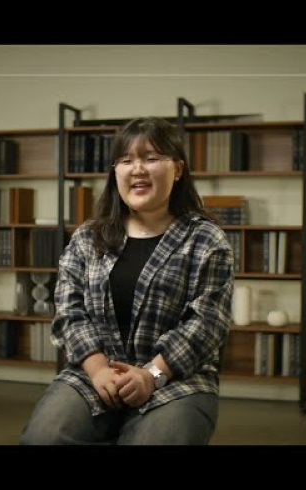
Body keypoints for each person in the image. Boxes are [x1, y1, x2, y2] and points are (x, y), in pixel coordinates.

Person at [19, 117, 234, 445]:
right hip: (94, 375)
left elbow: (207, 324)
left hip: (177, 380)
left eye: (151, 158)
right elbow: (68, 311)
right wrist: (98, 370)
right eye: (126, 160)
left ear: (178, 169)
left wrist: (152, 374)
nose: (138, 169)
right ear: (115, 172)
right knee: (43, 438)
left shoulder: (206, 239)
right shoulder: (88, 237)